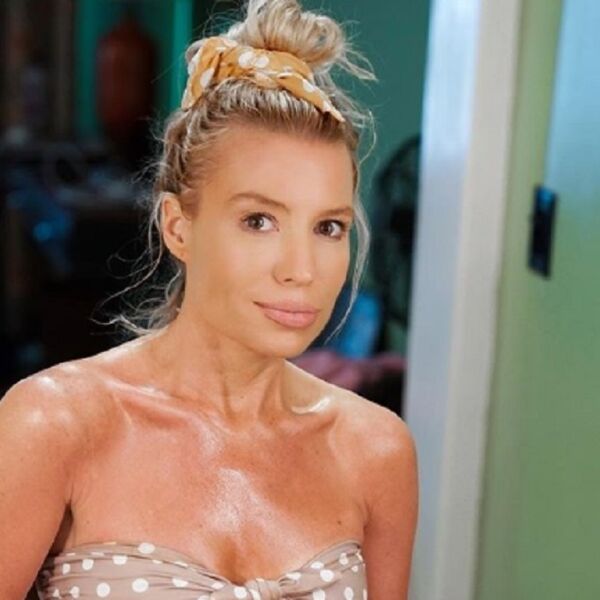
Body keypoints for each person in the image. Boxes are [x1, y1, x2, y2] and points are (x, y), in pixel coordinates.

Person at [0, 1, 418, 598]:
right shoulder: (54, 425)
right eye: (259, 221)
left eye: (329, 227)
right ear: (178, 227)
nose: (301, 270)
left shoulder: (377, 450)